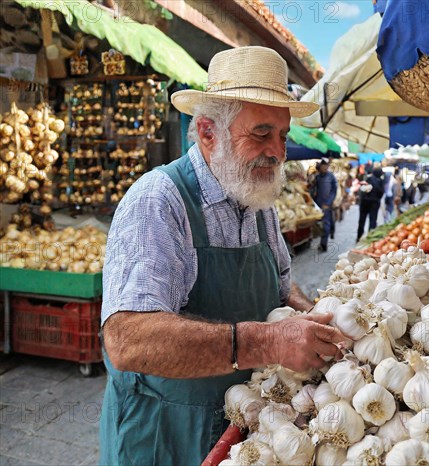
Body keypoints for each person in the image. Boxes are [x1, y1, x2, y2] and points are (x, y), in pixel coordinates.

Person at [99, 46, 346, 465]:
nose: (278, 152)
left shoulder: (258, 202)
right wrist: (267, 341)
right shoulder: (158, 200)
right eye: (261, 133)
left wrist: (323, 319)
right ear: (208, 133)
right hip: (162, 435)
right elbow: (127, 339)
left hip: (238, 428)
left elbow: (283, 290)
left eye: (283, 136)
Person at [312, 157, 338, 251]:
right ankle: (325, 238)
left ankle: (324, 244)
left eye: (326, 165)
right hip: (318, 204)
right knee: (320, 224)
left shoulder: (331, 177)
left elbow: (334, 191)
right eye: (323, 165)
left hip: (326, 205)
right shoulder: (317, 177)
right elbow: (314, 190)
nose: (325, 167)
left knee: (326, 224)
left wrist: (328, 202)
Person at [356, 166, 385, 241]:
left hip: (364, 203)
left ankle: (359, 236)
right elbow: (381, 193)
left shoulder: (368, 179)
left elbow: (362, 190)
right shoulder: (380, 181)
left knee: (362, 220)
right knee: (372, 220)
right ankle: (370, 237)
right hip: (374, 204)